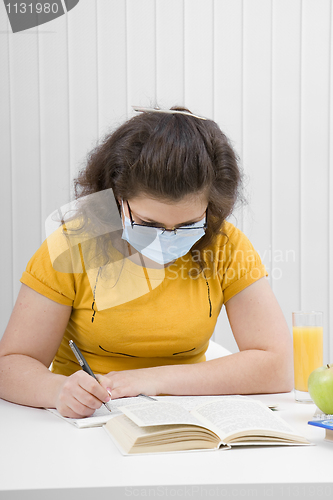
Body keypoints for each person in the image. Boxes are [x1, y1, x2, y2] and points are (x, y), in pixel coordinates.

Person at [0, 106, 293, 418]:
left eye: (189, 225)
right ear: (116, 198)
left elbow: (277, 365)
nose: (167, 238)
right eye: (148, 224)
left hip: (186, 418)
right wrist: (58, 391)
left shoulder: (225, 245)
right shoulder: (73, 243)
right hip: (93, 422)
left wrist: (150, 379)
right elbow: (11, 364)